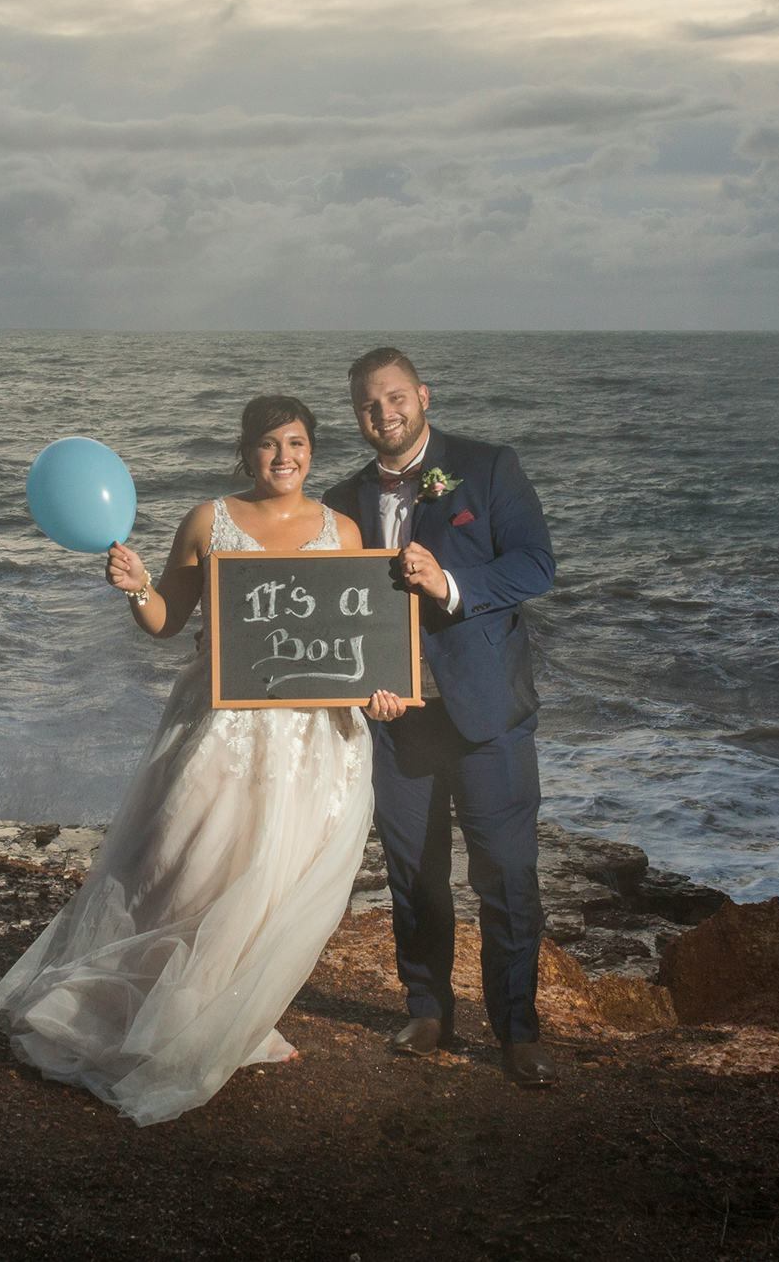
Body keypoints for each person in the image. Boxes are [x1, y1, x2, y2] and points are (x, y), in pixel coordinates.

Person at [0, 394, 407, 1126]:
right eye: (271, 444)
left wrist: (383, 693)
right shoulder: (209, 521)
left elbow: (359, 636)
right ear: (246, 453)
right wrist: (137, 584)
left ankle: (232, 1019)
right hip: (221, 725)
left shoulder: (342, 530)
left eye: (299, 443)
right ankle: (147, 1015)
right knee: (186, 867)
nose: (286, 457)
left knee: (276, 879)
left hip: (313, 734)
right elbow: (165, 622)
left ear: (314, 450)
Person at [323, 347, 559, 1087]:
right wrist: (363, 683)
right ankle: (427, 1007)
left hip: (487, 711)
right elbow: (337, 609)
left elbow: (536, 565)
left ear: (423, 395)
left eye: (395, 397)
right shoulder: (341, 499)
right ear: (356, 413)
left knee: (508, 873)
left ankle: (518, 1030)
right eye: (368, 403)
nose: (383, 413)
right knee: (413, 873)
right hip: (400, 719)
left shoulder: (488, 469)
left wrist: (451, 581)